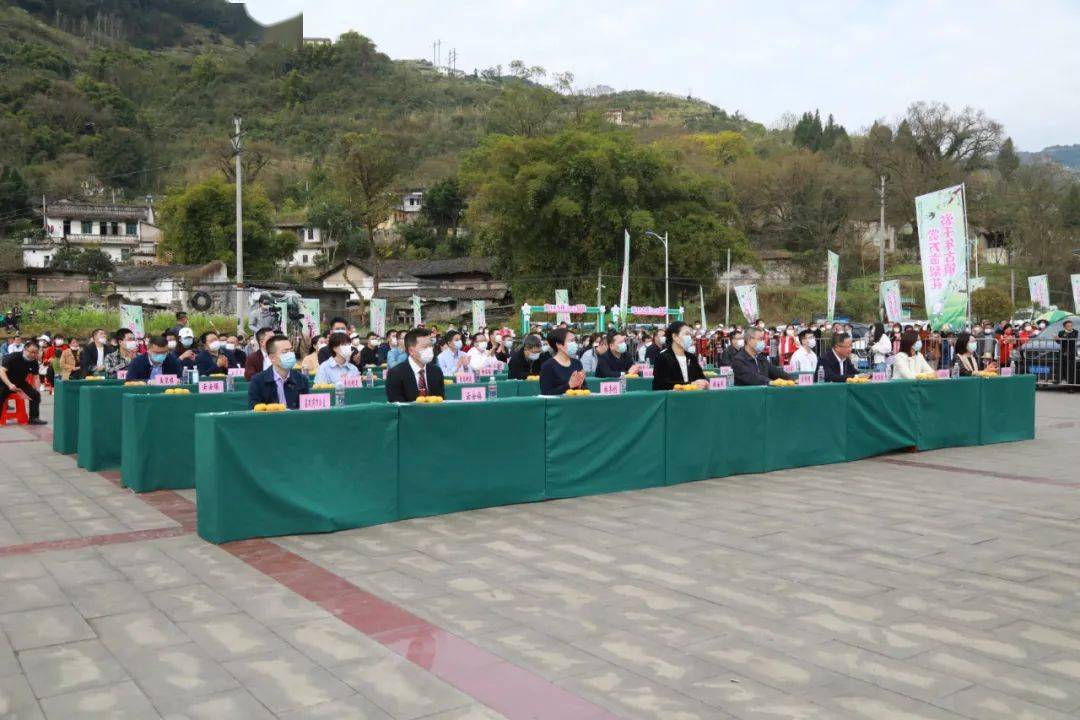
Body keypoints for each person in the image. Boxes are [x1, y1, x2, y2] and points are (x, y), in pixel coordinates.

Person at [248, 335, 310, 409]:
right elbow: (255, 410)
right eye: (285, 352)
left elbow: (306, 409)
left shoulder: (301, 379)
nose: (290, 354)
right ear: (272, 358)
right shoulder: (258, 381)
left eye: (291, 350)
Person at [385, 328, 444, 402]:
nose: (429, 349)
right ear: (411, 351)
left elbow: (440, 401)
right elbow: (397, 406)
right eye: (425, 347)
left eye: (431, 346)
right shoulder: (395, 374)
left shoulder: (436, 371)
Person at [652, 321, 708, 391]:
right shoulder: (662, 358)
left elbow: (701, 377)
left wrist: (704, 383)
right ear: (675, 336)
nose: (689, 337)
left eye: (690, 335)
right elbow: (660, 385)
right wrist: (690, 385)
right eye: (686, 334)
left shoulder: (691, 357)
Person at [0, 340, 45, 424]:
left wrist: (37, 390)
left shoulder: (34, 362)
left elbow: (36, 377)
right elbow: (1, 371)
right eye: (32, 352)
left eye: (36, 353)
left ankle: (33, 418)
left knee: (35, 395)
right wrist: (9, 384)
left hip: (20, 382)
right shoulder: (13, 357)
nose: (34, 355)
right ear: (24, 350)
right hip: (4, 381)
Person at [539, 327, 587, 396]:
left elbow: (585, 389)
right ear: (559, 345)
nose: (574, 344)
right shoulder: (548, 366)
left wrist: (580, 385)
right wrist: (569, 385)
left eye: (575, 341)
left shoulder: (577, 363)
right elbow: (546, 393)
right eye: (571, 341)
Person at [1059, 319, 1078, 385]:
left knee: (1071, 368)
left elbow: (1072, 340)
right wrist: (1057, 339)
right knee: (1063, 367)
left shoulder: (1075, 331)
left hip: (1071, 353)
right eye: (1068, 326)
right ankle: (1063, 380)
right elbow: (1060, 342)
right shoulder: (1061, 332)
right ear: (1064, 327)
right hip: (1063, 352)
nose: (1070, 327)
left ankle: (1071, 385)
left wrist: (1063, 338)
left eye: (1071, 325)